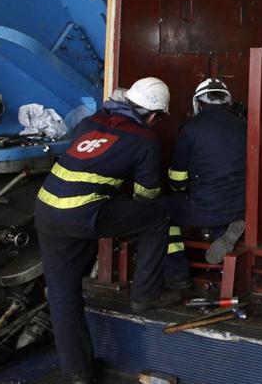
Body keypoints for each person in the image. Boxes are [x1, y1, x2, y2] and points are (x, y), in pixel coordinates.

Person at [35, 77, 177, 384]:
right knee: (157, 217)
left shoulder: (90, 123)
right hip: (84, 212)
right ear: (153, 116)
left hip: (47, 210)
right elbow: (146, 195)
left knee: (62, 296)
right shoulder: (144, 140)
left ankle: (78, 373)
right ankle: (145, 296)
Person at [163, 78, 247, 288]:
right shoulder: (243, 127)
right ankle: (226, 232)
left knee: (162, 214)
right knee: (219, 206)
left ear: (198, 103)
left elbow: (177, 178)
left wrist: (179, 191)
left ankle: (177, 273)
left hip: (205, 206)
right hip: (239, 205)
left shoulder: (190, 128)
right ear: (226, 102)